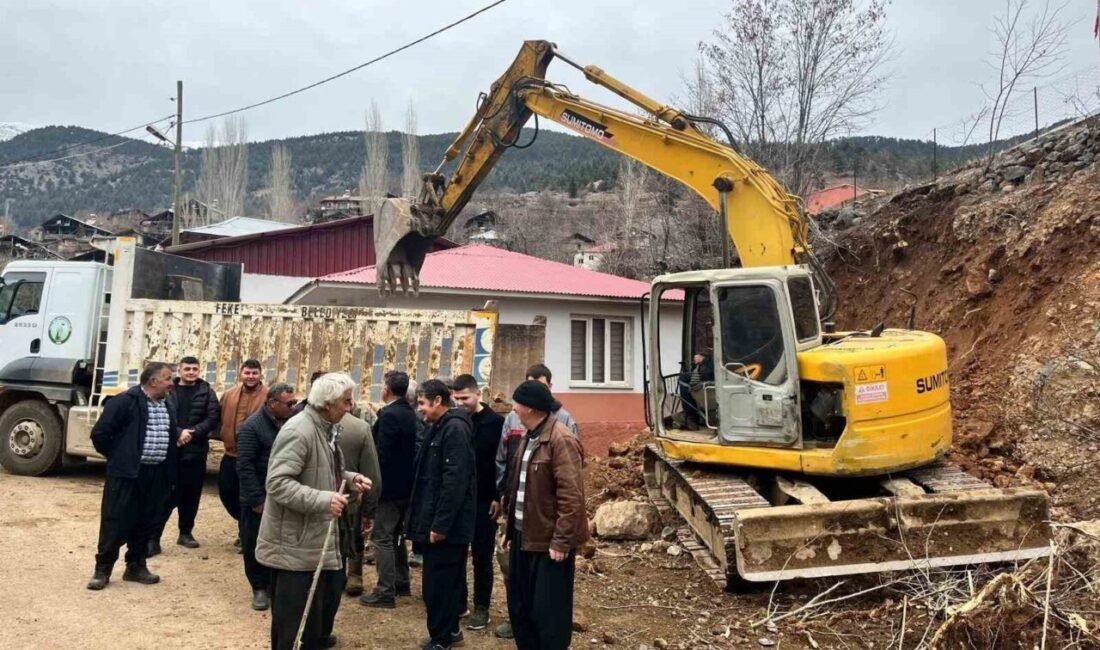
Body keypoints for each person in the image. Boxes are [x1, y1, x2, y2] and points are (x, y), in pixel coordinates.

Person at [256, 373, 373, 650]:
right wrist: (323, 499)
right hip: (294, 549)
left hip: (315, 543)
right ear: (327, 403)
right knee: (292, 630)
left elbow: (321, 471)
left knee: (314, 628)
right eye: (345, 401)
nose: (350, 406)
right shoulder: (299, 430)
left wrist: (350, 477)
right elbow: (277, 483)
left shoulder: (325, 428)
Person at [502, 380, 589, 650]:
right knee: (521, 606)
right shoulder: (529, 437)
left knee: (549, 614)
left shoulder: (561, 439)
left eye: (516, 403)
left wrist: (561, 541)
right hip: (522, 537)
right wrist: (508, 531)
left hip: (548, 544)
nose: (513, 408)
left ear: (528, 407)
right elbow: (519, 487)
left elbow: (571, 495)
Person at [86, 362, 178, 591]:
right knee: (114, 520)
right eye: (167, 378)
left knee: (146, 520)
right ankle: (103, 569)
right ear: (153, 381)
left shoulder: (169, 404)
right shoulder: (124, 402)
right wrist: (120, 457)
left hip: (155, 473)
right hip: (126, 474)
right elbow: (100, 435)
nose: (171, 382)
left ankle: (136, 565)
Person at [408, 379, 477, 650]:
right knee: (438, 581)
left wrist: (440, 524)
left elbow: (454, 482)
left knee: (442, 584)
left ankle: (443, 637)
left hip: (447, 528)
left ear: (438, 401)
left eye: (423, 403)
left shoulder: (455, 429)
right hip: (438, 523)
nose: (419, 410)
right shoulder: (441, 427)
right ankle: (446, 632)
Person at [236, 382, 297, 611]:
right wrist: (256, 499)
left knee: (278, 542)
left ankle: (274, 585)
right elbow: (245, 466)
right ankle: (259, 587)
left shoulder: (290, 423)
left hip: (282, 495)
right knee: (254, 542)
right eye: (289, 403)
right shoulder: (252, 427)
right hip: (259, 499)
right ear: (272, 403)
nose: (293, 407)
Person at [451, 373, 505, 631]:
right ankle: (459, 602)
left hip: (485, 501)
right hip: (459, 500)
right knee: (457, 552)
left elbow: (501, 463)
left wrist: (497, 496)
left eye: (465, 398)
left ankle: (481, 607)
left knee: (482, 556)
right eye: (457, 398)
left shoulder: (495, 423)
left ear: (478, 394)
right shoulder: (454, 421)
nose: (461, 403)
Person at [151, 356, 220, 556]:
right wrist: (178, 432)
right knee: (164, 496)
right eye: (187, 368)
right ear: (179, 370)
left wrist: (192, 433)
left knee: (191, 495)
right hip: (170, 450)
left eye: (195, 369)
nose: (191, 372)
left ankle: (185, 533)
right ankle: (153, 539)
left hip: (195, 451)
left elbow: (213, 418)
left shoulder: (207, 392)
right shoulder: (168, 390)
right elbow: (160, 412)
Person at [360, 371, 418, 608]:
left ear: (388, 389)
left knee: (382, 537)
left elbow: (380, 455)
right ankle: (402, 581)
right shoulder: (410, 413)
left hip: (389, 488)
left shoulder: (390, 414)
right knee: (396, 537)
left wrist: (371, 482)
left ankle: (385, 591)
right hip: (406, 486)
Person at [337, 391, 383, 598]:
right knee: (354, 529)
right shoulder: (359, 427)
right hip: (352, 492)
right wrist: (370, 511)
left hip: (319, 493)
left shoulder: (301, 423)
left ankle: (338, 573)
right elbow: (373, 474)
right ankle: (354, 574)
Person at [217, 359, 266, 550]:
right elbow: (219, 418)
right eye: (247, 373)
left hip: (255, 458)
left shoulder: (268, 396)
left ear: (260, 374)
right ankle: (242, 525)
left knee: (251, 497)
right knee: (227, 493)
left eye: (255, 373)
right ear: (241, 373)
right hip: (231, 454)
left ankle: (247, 535)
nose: (251, 377)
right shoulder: (229, 394)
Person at [677, 352, 715, 430]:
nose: (694, 359)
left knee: (683, 378)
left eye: (695, 357)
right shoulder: (706, 363)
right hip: (707, 386)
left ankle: (690, 415)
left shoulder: (707, 363)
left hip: (707, 387)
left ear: (701, 356)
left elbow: (705, 374)